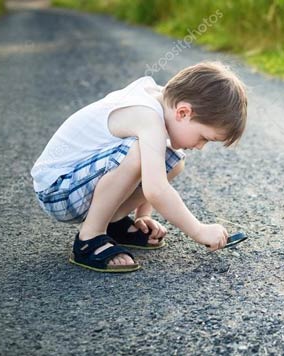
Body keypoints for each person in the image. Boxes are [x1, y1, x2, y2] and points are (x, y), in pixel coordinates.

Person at [30, 61, 248, 273]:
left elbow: (153, 167)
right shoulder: (147, 115)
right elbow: (156, 189)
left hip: (78, 186)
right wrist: (198, 230)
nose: (200, 147)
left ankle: (113, 222)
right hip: (57, 191)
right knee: (136, 153)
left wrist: (143, 216)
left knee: (173, 160)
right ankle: (90, 238)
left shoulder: (160, 101)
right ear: (183, 112)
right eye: (204, 138)